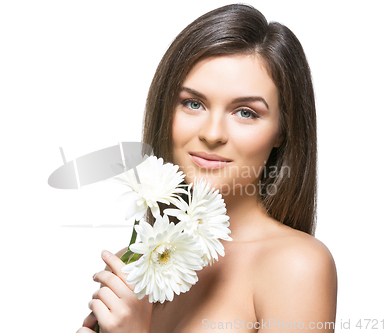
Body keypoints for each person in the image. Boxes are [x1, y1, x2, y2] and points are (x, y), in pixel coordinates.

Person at [78, 4, 337, 332]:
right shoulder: (134, 261)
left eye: (245, 112)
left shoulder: (296, 266)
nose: (212, 134)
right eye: (193, 103)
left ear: (282, 131)